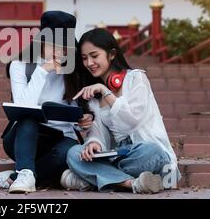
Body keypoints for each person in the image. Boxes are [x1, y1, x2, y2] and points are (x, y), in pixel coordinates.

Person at [0, 11, 93, 193]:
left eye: (65, 45)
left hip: (60, 138)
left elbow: (76, 115)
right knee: (29, 117)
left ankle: (15, 177)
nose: (61, 51)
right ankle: (25, 174)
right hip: (24, 136)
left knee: (69, 153)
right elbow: (23, 106)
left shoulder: (75, 70)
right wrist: (43, 70)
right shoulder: (20, 65)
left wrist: (83, 122)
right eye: (55, 44)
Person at [61, 28, 180, 194]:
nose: (89, 63)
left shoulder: (136, 78)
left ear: (111, 54)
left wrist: (106, 92)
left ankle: (90, 178)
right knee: (74, 153)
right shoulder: (94, 97)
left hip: (145, 154)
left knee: (153, 151)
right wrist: (94, 143)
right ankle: (132, 184)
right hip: (117, 155)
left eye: (94, 56)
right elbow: (98, 134)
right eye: (84, 58)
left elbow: (132, 120)